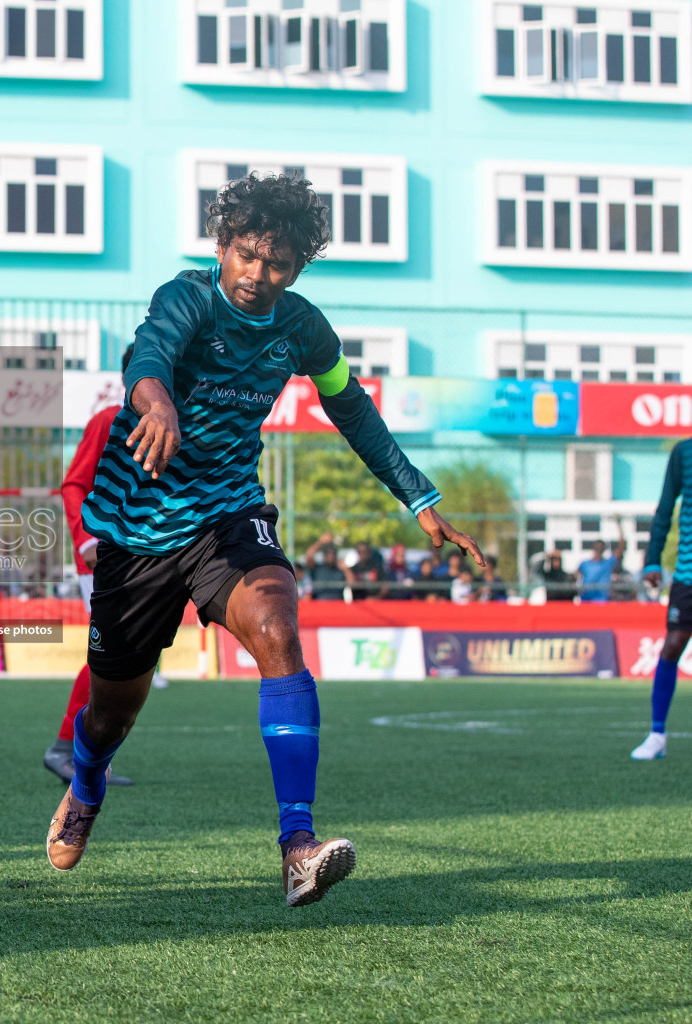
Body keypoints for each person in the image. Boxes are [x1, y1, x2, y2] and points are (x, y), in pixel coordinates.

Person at [45, 172, 482, 908]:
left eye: (277, 263)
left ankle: (297, 848)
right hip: (138, 530)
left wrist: (420, 498)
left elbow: (351, 407)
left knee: (279, 624)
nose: (258, 275)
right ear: (223, 246)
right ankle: (86, 783)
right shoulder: (185, 297)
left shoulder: (303, 327)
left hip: (227, 516)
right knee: (114, 708)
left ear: (299, 268)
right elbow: (149, 359)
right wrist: (157, 404)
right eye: (247, 254)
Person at [44, 346, 138, 788]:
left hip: (144, 557)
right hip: (104, 557)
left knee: (130, 656)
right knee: (111, 656)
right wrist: (85, 540)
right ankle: (68, 747)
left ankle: (84, 752)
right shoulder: (109, 422)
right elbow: (74, 483)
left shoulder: (176, 425)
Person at [633, 443, 692, 760]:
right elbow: (665, 508)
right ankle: (657, 735)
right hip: (687, 572)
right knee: (672, 645)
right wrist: (652, 559)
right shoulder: (683, 453)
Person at [303, 534, 348, 601]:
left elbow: (352, 583)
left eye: (333, 553)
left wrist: (346, 570)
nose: (331, 556)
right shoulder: (317, 569)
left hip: (338, 606)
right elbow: (309, 556)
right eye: (328, 553)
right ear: (324, 555)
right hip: (319, 606)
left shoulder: (340, 570)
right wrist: (321, 541)